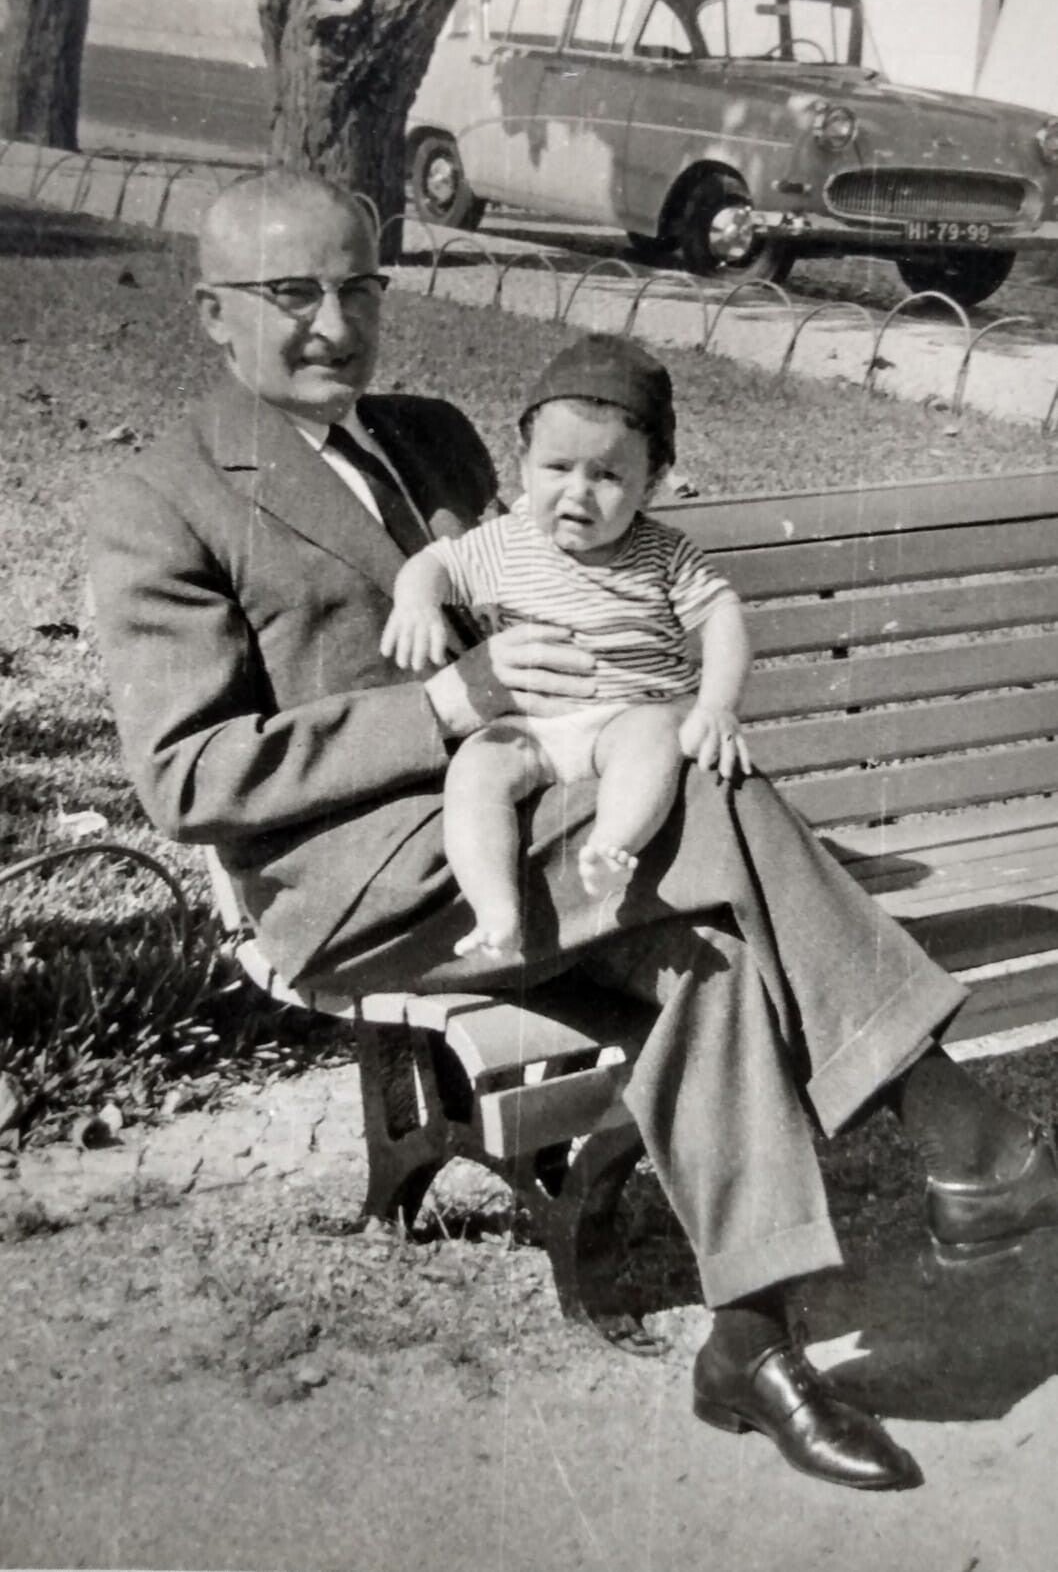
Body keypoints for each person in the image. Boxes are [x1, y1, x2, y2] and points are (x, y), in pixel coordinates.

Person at [89, 168, 1058, 1496]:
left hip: (546, 819)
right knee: (707, 809)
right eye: (290, 294)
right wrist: (447, 702)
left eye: (358, 287)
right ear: (212, 311)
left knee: (709, 953)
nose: (334, 323)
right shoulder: (166, 496)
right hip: (361, 878)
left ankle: (751, 1342)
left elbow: (577, 577)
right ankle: (960, 1130)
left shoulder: (430, 438)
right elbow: (188, 777)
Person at [380, 334, 754, 956]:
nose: (578, 492)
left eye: (607, 475)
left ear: (652, 482)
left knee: (654, 737)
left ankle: (612, 846)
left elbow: (722, 616)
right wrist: (417, 601)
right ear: (524, 462)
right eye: (557, 468)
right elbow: (434, 564)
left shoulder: (663, 553)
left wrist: (717, 705)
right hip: (533, 724)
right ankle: (495, 909)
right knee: (476, 770)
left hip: (625, 715)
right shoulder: (506, 541)